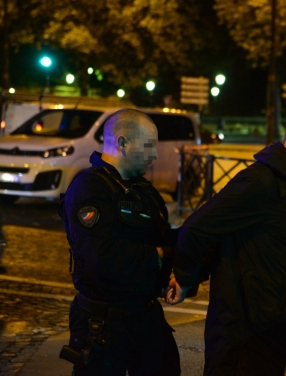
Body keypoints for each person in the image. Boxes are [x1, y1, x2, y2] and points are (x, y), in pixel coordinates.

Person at [165, 111, 286, 376]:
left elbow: (225, 233)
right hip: (241, 338)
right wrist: (186, 276)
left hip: (266, 329)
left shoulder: (285, 185)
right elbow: (198, 228)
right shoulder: (260, 182)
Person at [58, 108, 180, 375]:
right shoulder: (89, 188)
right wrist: (159, 255)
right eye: (149, 146)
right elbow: (104, 255)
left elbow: (161, 236)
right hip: (103, 323)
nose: (155, 155)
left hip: (145, 317)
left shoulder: (143, 189)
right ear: (123, 143)